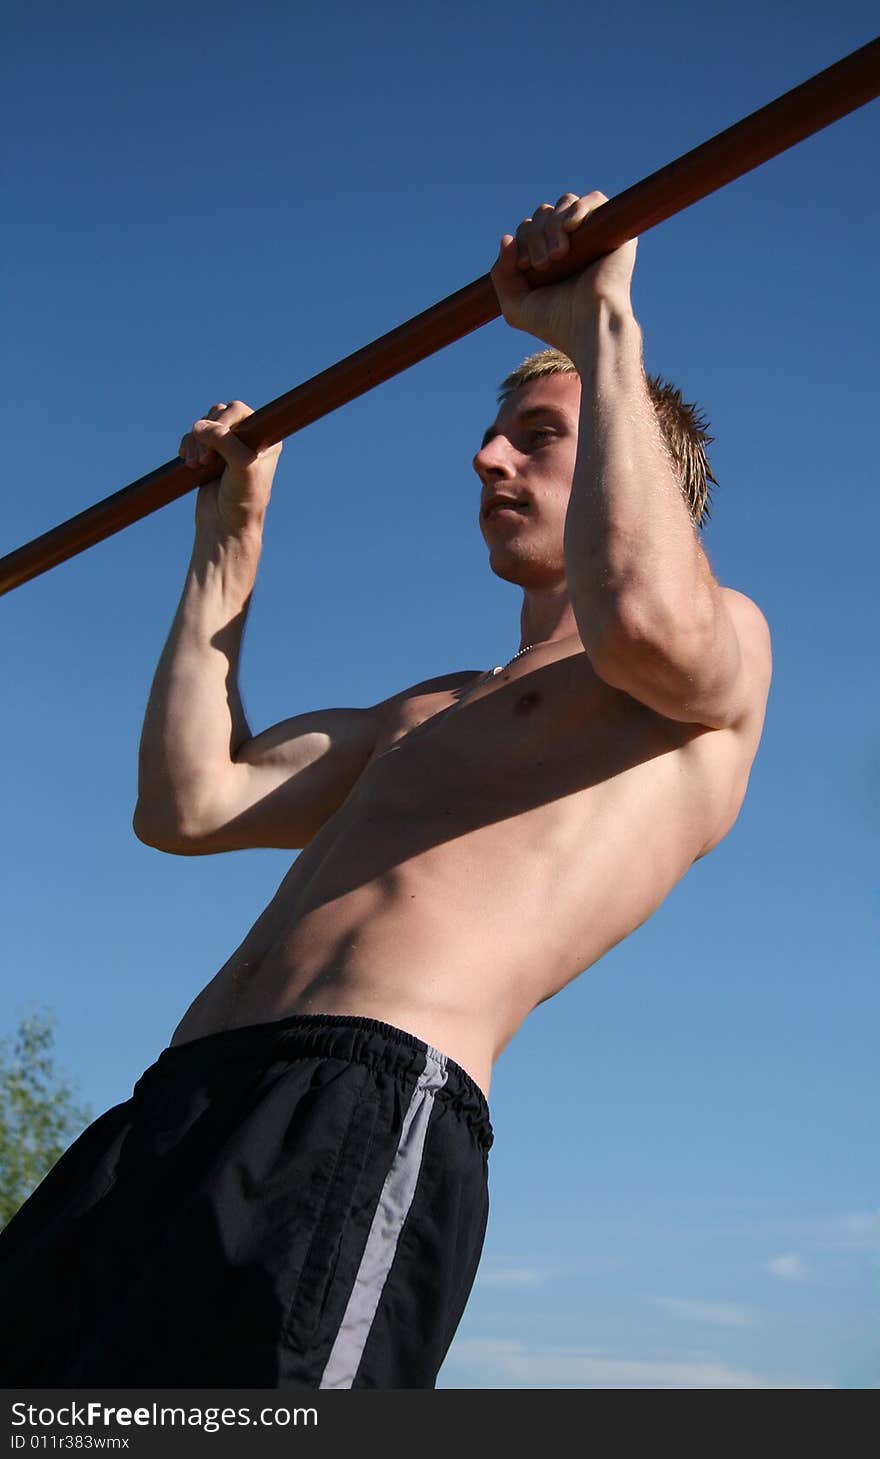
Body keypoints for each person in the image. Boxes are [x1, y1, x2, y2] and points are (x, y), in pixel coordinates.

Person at [0, 190, 771, 1390]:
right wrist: (228, 542)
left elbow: (641, 617)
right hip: (170, 1106)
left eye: (539, 434)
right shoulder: (424, 711)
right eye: (496, 431)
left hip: (353, 1104)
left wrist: (600, 324)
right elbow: (190, 801)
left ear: (637, 460)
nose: (487, 455)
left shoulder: (709, 659)